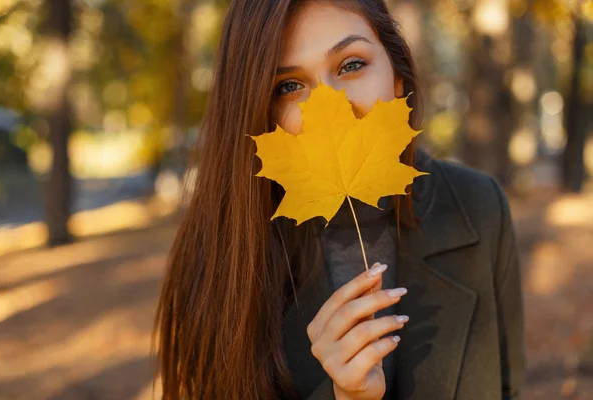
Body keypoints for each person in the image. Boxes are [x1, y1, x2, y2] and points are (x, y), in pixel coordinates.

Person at [152, 0, 526, 399]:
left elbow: (508, 388)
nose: (331, 106)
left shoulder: (477, 205)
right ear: (261, 114)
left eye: (351, 65)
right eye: (289, 86)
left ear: (398, 76)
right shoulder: (221, 256)